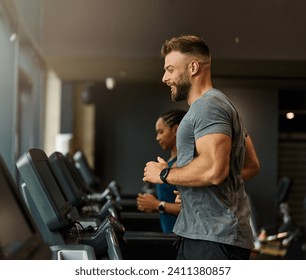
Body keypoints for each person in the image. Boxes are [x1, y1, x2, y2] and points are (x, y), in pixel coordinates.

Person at [143, 35, 260, 260]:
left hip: (213, 239)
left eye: (170, 69)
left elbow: (214, 170)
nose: (164, 78)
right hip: (209, 235)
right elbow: (250, 165)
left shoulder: (209, 108)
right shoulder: (216, 106)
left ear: (193, 67)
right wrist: (195, 191)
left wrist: (164, 174)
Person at [137, 109, 186, 233]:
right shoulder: (171, 161)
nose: (157, 138)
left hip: (179, 235)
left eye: (161, 132)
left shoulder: (183, 163)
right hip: (169, 231)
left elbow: (188, 208)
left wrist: (157, 204)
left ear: (175, 129)